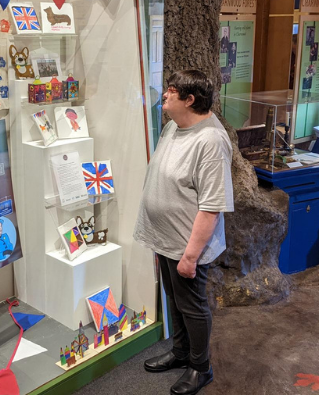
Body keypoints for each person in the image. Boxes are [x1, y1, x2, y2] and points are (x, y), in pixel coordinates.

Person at [136, 69, 235, 395]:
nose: (165, 94)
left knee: (192, 307)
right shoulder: (173, 126)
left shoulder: (210, 140)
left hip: (187, 245)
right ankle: (180, 353)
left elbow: (211, 206)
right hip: (166, 239)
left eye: (172, 90)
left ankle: (200, 367)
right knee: (175, 301)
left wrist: (191, 256)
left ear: (189, 100)